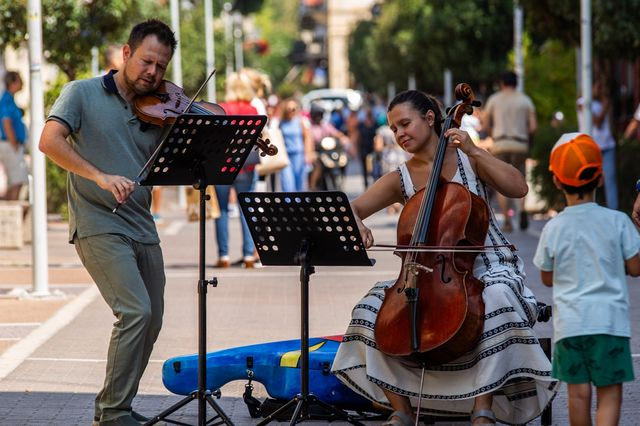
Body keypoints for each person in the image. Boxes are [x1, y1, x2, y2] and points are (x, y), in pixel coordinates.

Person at [331, 90, 556, 426]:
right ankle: (401, 410)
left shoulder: (469, 158)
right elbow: (352, 209)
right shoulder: (400, 177)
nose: (399, 133)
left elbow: (518, 188)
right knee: (369, 309)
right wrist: (358, 225)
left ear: (431, 118)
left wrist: (475, 150)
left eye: (405, 123)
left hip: (490, 265)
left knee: (494, 298)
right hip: (424, 273)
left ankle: (483, 408)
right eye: (394, 129)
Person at [39, 19, 176, 426]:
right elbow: (49, 141)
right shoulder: (81, 93)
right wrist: (99, 175)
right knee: (135, 311)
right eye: (148, 61)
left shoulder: (160, 110)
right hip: (99, 221)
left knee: (152, 320)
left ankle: (120, 404)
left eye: (162, 66)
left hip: (142, 225)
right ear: (126, 53)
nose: (153, 72)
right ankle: (112, 414)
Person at [533, 132, 640, 425]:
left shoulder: (554, 227)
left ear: (556, 181)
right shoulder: (618, 221)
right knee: (609, 393)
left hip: (571, 327)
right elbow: (635, 267)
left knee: (578, 396)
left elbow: (545, 277)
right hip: (610, 325)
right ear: (601, 178)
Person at [213, 71, 259, 269]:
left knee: (221, 210)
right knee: (246, 209)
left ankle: (223, 256)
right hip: (246, 165)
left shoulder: (221, 109)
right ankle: (248, 255)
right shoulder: (252, 110)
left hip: (222, 165)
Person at [483, 70, 537, 231]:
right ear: (516, 83)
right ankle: (522, 210)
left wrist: (494, 136)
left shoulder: (494, 100)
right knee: (522, 179)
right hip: (520, 145)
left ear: (502, 83)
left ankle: (507, 220)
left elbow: (486, 125)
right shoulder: (525, 101)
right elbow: (533, 127)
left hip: (500, 145)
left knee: (501, 184)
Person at [577, 80, 618, 210]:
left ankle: (613, 210)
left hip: (607, 145)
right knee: (587, 180)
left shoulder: (601, 102)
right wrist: (605, 108)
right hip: (591, 147)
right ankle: (587, 208)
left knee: (610, 181)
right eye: (598, 87)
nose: (600, 91)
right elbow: (596, 122)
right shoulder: (582, 102)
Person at [0, 71, 29, 200]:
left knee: (15, 182)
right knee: (17, 181)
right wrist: (14, 144)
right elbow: (6, 122)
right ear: (12, 83)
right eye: (19, 80)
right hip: (10, 144)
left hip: (11, 144)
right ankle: (10, 218)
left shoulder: (9, 99)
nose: (22, 82)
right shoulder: (6, 100)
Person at [278, 98, 312, 192]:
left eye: (294, 109)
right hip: (286, 156)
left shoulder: (301, 121)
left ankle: (300, 205)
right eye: (289, 109)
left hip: (299, 156)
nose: (291, 111)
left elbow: (307, 138)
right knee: (287, 184)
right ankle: (289, 205)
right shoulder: (281, 123)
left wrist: (308, 155)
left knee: (300, 184)